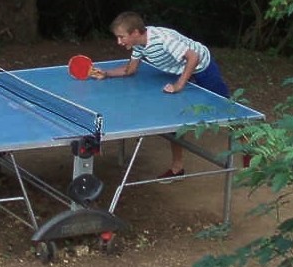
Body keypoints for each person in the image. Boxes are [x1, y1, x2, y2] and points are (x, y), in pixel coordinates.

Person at [91, 11, 230, 177]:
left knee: (231, 111)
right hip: (178, 69)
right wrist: (106, 74)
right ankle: (178, 169)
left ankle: (250, 148)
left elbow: (194, 57)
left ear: (135, 33)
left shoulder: (163, 40)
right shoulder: (138, 44)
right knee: (175, 118)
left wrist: (179, 84)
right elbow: (131, 69)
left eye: (121, 37)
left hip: (203, 67)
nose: (119, 42)